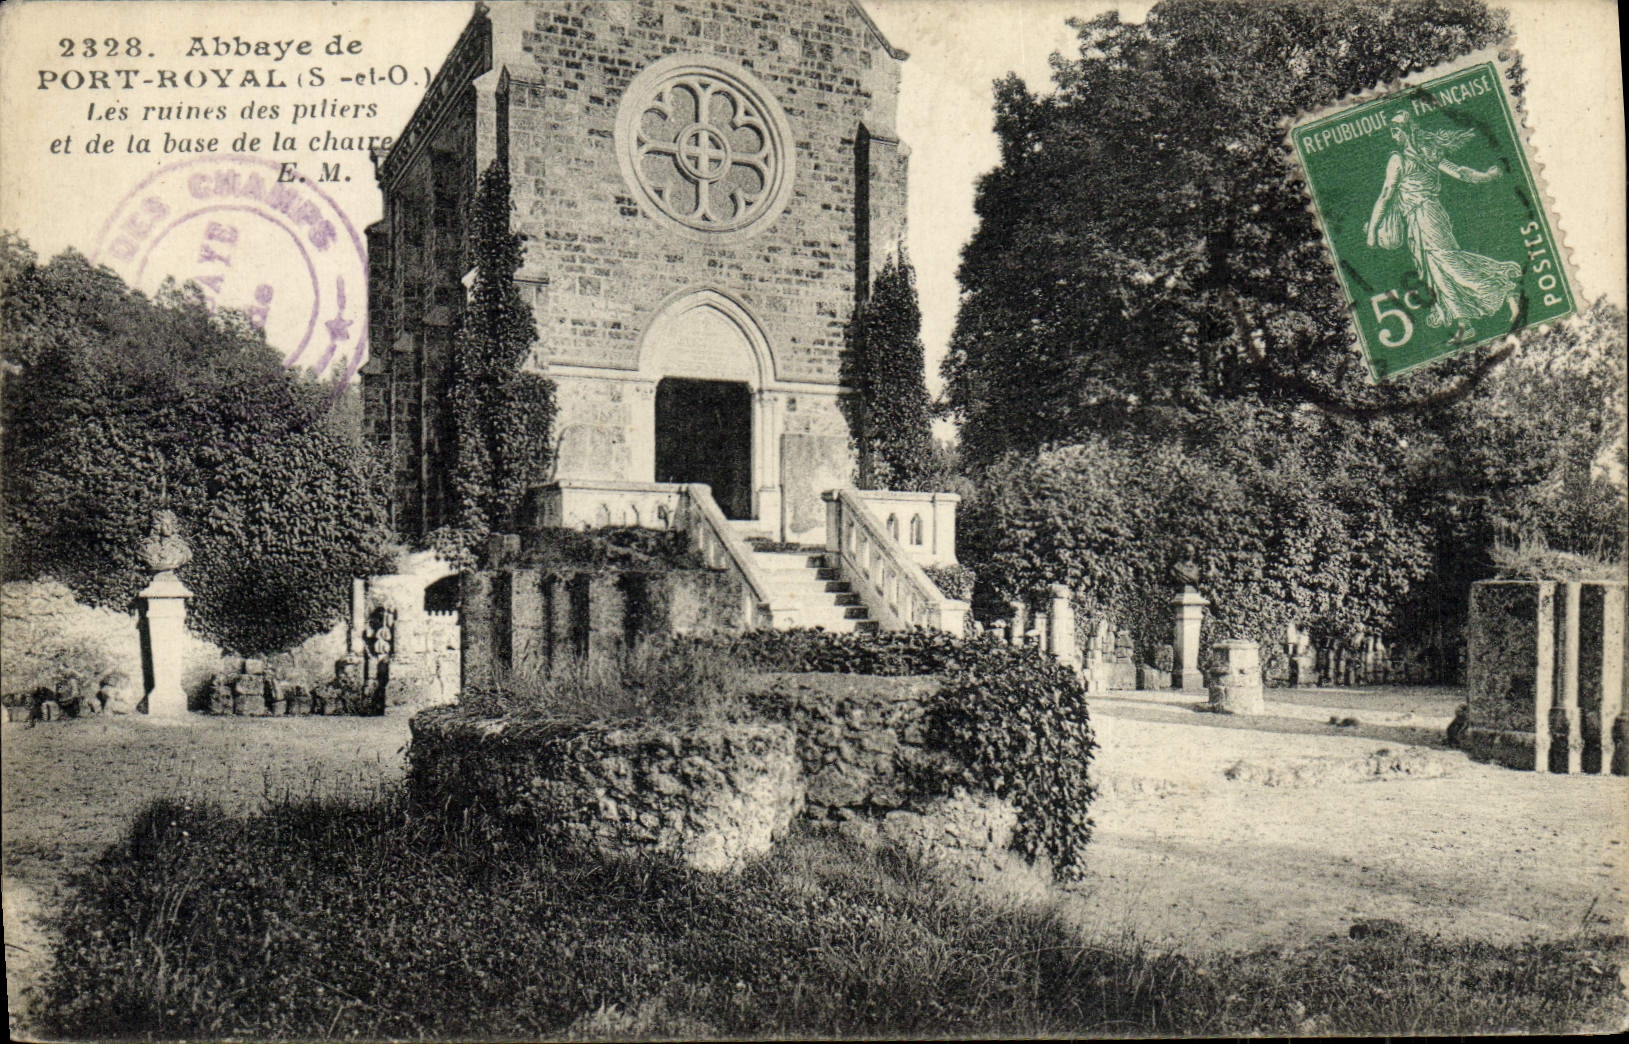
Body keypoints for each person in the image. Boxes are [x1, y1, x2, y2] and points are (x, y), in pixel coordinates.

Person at [1365, 111, 1521, 344]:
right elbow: (1460, 172)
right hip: (1422, 218)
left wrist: (1371, 231)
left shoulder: (1399, 159)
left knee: (1450, 264)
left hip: (1426, 216)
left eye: (1396, 129)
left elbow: (1386, 194)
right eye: (1392, 130)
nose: (1393, 133)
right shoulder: (1428, 153)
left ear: (1407, 130)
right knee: (1437, 270)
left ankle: (1504, 289)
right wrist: (1487, 176)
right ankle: (1463, 324)